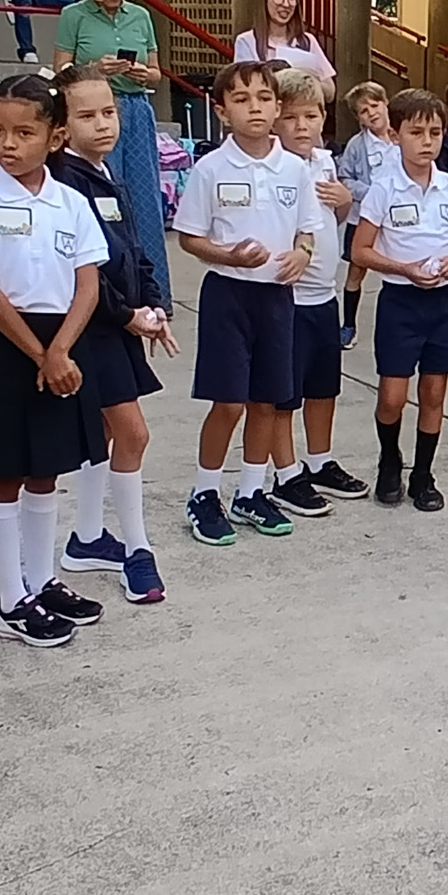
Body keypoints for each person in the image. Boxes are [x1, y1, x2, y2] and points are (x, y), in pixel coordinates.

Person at [0, 74, 110, 646]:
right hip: (6, 342)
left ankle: (41, 581)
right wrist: (41, 354)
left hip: (63, 340)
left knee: (48, 469)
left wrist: (60, 349)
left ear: (55, 137)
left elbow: (88, 282)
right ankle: (10, 598)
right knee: (6, 471)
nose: (7, 144)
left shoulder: (71, 202)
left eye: (23, 132)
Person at [172, 60, 322, 542]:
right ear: (222, 111)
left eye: (263, 98)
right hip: (228, 295)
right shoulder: (210, 169)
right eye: (241, 99)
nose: (254, 108)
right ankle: (204, 493)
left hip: (277, 297)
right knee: (230, 402)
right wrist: (229, 255)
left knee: (267, 400)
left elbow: (307, 229)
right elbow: (189, 237)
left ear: (277, 107)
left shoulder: (295, 169)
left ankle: (251, 491)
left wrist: (302, 254)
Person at [50, 66, 175, 602]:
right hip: (89, 329)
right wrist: (127, 315)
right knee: (133, 434)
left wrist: (154, 303)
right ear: (61, 126)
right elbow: (85, 271)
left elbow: (134, 249)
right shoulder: (64, 182)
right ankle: (137, 547)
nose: (103, 124)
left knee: (102, 433)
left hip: (120, 324)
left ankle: (86, 537)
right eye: (87, 115)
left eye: (109, 112)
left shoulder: (106, 174)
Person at [350, 87, 448, 512]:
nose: (427, 142)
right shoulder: (384, 189)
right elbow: (361, 250)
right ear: (396, 135)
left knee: (435, 393)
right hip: (401, 302)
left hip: (444, 303)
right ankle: (390, 459)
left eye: (435, 133)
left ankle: (424, 473)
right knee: (392, 396)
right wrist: (404, 269)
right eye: (416, 132)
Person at [266, 69, 370, 511]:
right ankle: (286, 472)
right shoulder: (274, 167)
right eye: (291, 117)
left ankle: (319, 460)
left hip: (323, 294)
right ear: (275, 119)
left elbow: (333, 219)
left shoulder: (324, 161)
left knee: (323, 387)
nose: (302, 126)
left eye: (311, 116)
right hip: (288, 295)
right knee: (284, 394)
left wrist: (344, 202)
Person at [52, 0, 170, 309]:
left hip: (135, 107)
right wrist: (95, 70)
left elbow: (157, 72)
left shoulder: (140, 16)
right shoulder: (74, 15)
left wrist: (143, 73)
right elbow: (59, 69)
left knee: (144, 199)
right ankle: (106, 292)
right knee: (99, 195)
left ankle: (155, 294)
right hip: (93, 107)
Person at [337, 81, 395, 347]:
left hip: (399, 218)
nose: (371, 113)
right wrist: (371, 193)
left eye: (375, 105)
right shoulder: (357, 146)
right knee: (356, 271)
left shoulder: (402, 136)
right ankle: (349, 325)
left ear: (385, 104)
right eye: (364, 110)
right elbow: (345, 178)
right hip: (364, 218)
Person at [232, 0, 336, 92]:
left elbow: (330, 91)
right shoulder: (247, 41)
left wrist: (304, 80)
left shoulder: (308, 41)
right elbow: (246, 87)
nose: (286, 4)